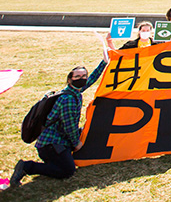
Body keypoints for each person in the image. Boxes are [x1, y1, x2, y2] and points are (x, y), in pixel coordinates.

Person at [10, 36, 109, 185]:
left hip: (60, 139)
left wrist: (104, 62)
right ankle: (27, 166)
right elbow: (69, 127)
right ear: (69, 79)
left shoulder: (74, 91)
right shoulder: (67, 99)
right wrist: (76, 143)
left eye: (83, 76)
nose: (81, 79)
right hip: (51, 144)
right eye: (77, 76)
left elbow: (92, 79)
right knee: (66, 171)